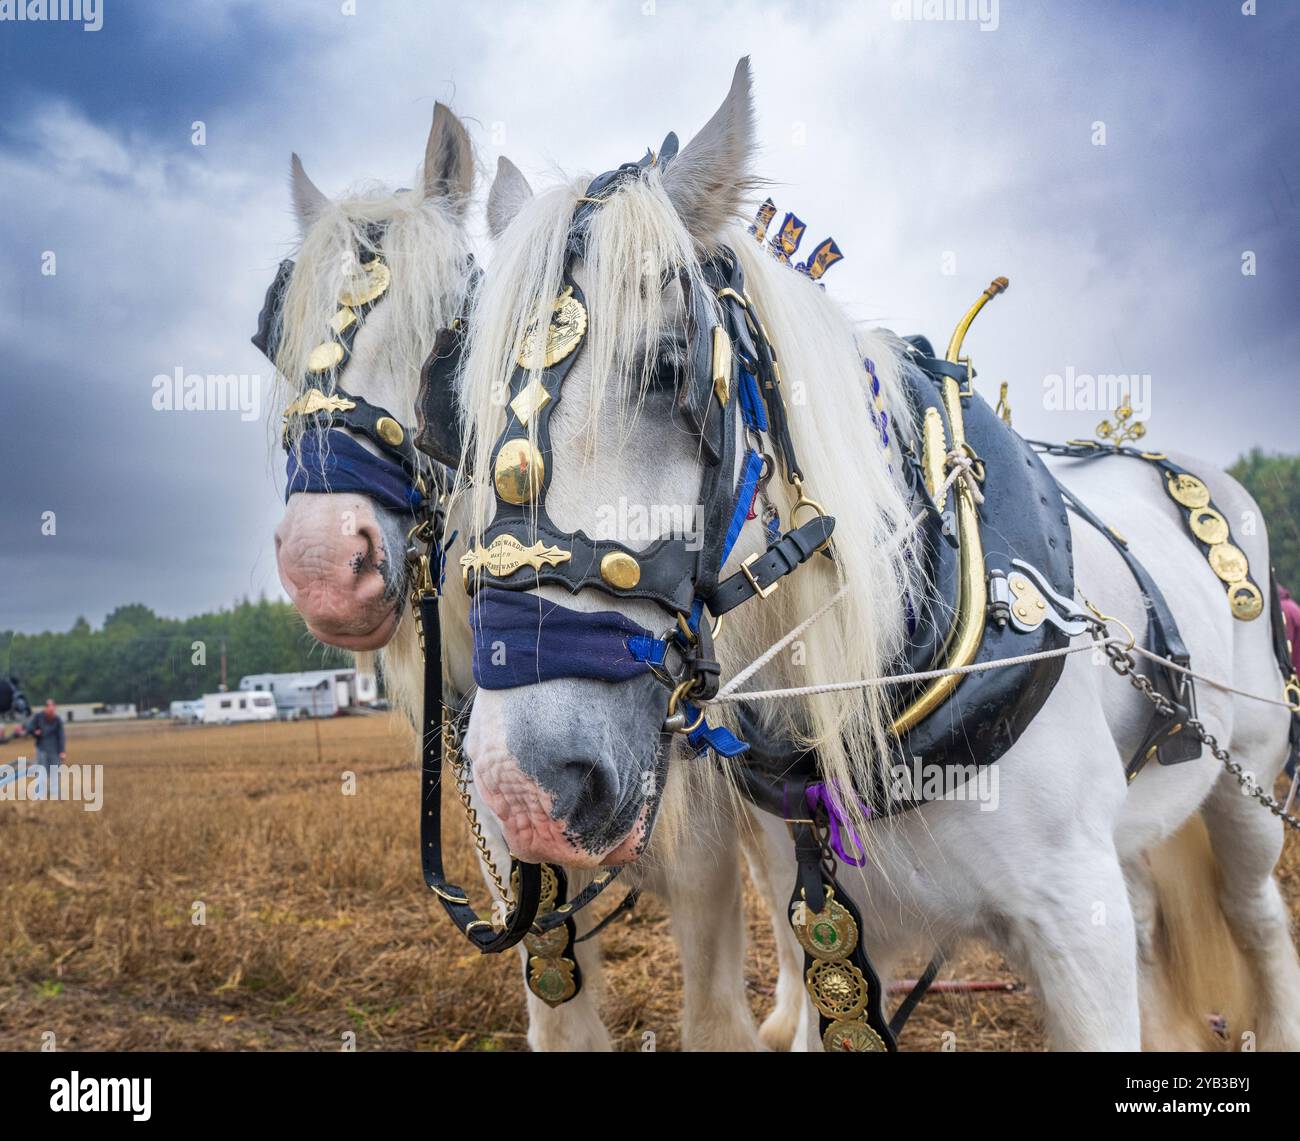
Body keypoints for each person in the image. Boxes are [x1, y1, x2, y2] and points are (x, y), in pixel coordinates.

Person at [25, 698, 66, 798]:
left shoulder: (57, 720)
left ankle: (54, 792)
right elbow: (29, 728)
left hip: (54, 750)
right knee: (41, 771)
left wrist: (62, 751)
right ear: (46, 708)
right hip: (42, 749)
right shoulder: (38, 717)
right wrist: (35, 732)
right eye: (50, 709)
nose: (51, 712)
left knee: (55, 771)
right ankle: (40, 793)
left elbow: (61, 736)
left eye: (53, 710)